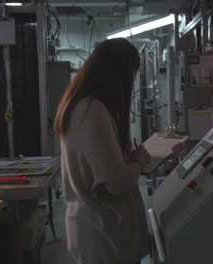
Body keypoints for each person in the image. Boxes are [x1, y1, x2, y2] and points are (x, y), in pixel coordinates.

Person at [54, 38, 151, 264]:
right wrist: (138, 161)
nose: (131, 83)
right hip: (102, 237)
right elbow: (118, 183)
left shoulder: (83, 105)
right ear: (117, 74)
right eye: (131, 75)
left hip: (98, 232)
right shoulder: (91, 111)